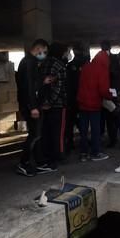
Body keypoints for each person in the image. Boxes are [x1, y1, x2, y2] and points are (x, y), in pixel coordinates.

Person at [15, 38, 49, 177]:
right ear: (38, 49)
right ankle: (23, 163)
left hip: (30, 103)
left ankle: (39, 162)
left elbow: (32, 83)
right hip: (30, 105)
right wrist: (33, 107)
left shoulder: (28, 61)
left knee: (37, 134)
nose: (44, 54)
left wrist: (42, 81)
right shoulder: (30, 62)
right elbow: (28, 86)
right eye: (44, 51)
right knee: (34, 134)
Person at [77, 48, 112, 161]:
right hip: (94, 104)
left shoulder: (86, 66)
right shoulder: (102, 70)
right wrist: (110, 96)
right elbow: (103, 89)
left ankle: (83, 153)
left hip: (82, 103)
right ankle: (95, 152)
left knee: (83, 130)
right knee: (95, 130)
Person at [38, 42, 68, 171]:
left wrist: (44, 102)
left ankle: (46, 155)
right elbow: (58, 87)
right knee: (58, 133)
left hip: (43, 104)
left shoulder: (42, 64)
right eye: (67, 51)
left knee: (46, 131)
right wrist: (51, 102)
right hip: (57, 105)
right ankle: (58, 156)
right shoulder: (60, 66)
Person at [65, 43, 88, 154]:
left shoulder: (70, 66)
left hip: (72, 98)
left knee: (71, 122)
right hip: (82, 97)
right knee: (82, 121)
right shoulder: (87, 65)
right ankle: (84, 141)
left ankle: (70, 142)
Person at [100, 40, 120, 148]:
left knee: (111, 116)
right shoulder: (114, 58)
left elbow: (116, 73)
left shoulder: (110, 59)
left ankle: (113, 139)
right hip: (110, 90)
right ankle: (113, 138)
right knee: (112, 116)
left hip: (110, 90)